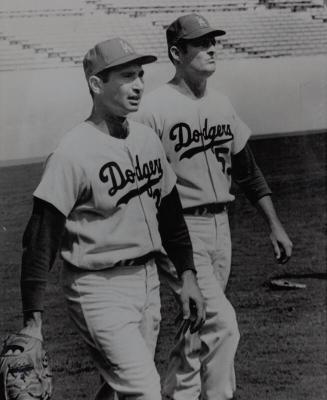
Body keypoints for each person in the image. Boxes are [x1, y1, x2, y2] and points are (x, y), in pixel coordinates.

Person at [19, 37, 206, 400]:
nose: (138, 84)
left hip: (147, 282)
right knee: (144, 389)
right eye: (126, 76)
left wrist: (188, 275)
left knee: (120, 389)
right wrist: (33, 321)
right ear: (96, 84)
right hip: (97, 287)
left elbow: (170, 218)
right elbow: (40, 239)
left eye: (140, 74)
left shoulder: (148, 139)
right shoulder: (71, 153)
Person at [133, 14, 293, 400]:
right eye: (201, 43)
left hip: (221, 227)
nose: (211, 49)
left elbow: (248, 172)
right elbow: (138, 178)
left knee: (196, 323)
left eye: (213, 42)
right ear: (176, 53)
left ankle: (176, 395)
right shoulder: (152, 109)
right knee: (223, 324)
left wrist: (274, 224)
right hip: (179, 230)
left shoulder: (222, 104)